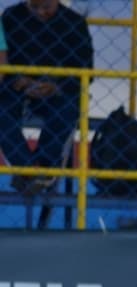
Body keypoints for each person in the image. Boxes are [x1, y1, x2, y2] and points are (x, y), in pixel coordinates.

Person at [0, 0, 92, 195]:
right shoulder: (12, 17)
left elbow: (86, 70)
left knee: (68, 108)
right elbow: (3, 63)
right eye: (35, 7)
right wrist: (19, 79)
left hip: (57, 88)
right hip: (17, 86)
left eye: (47, 8)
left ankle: (42, 165)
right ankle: (28, 168)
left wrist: (56, 85)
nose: (41, 12)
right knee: (2, 111)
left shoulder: (74, 23)